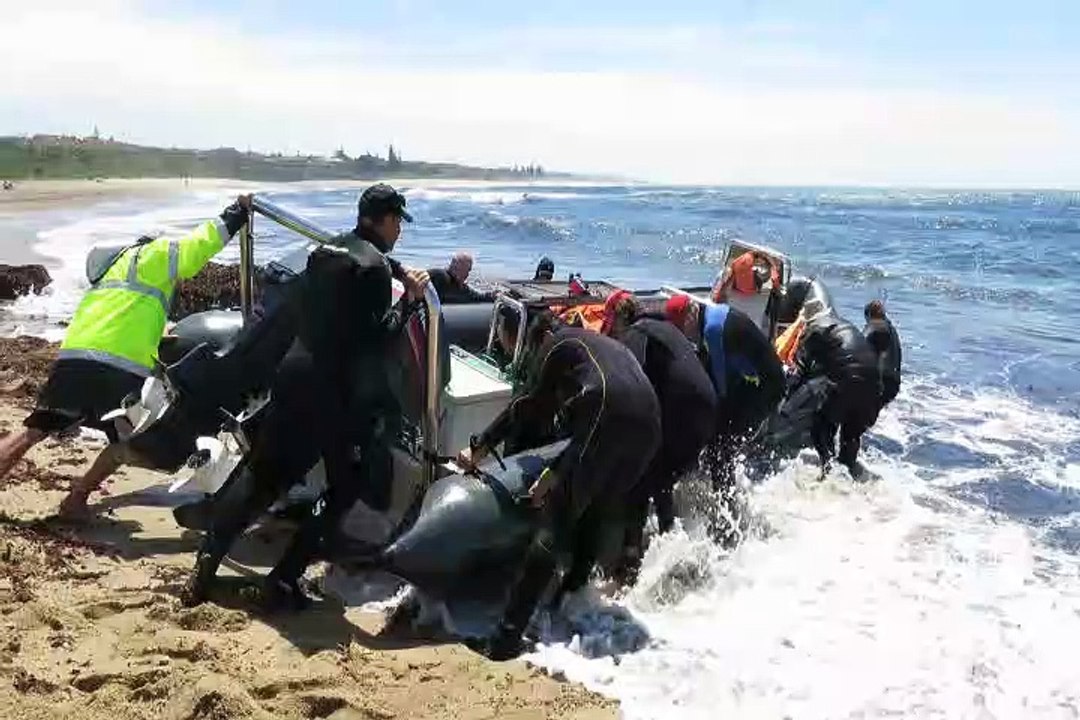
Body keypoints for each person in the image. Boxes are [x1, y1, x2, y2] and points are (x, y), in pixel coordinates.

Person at [183, 183, 430, 609]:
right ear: (386, 220)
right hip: (331, 392)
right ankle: (285, 577)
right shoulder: (374, 271)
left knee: (262, 476)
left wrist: (396, 267)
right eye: (398, 223)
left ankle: (208, 558)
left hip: (293, 373)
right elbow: (377, 342)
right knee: (344, 487)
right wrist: (410, 302)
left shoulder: (327, 251)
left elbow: (356, 262)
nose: (399, 232)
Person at [0, 195, 251, 519]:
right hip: (119, 368)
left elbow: (122, 315)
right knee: (132, 442)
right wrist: (235, 215)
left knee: (33, 431)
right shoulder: (159, 253)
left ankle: (70, 501)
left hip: (75, 356)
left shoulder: (114, 270)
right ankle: (75, 500)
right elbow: (194, 250)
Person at [458, 312, 660, 660]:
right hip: (651, 427)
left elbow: (529, 405)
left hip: (607, 412)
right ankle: (570, 601)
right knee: (595, 508)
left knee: (556, 516)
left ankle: (505, 639)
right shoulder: (605, 346)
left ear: (541, 339)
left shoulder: (558, 345)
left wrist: (480, 446)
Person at [601, 291, 716, 578]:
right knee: (660, 477)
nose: (612, 328)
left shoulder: (637, 333)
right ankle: (671, 550)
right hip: (704, 413)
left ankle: (631, 561)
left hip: (683, 416)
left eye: (611, 321)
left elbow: (630, 380)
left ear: (620, 318)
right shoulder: (665, 328)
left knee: (640, 475)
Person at [701, 278, 786, 494]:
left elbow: (720, 384)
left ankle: (726, 504)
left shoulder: (712, 329)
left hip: (767, 387)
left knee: (723, 444)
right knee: (723, 433)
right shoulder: (718, 312)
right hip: (758, 378)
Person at [790, 312, 881, 479]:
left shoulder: (813, 331)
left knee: (821, 425)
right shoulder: (846, 327)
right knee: (851, 434)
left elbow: (800, 370)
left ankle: (828, 469)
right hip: (874, 386)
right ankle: (850, 474)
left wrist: (787, 395)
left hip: (847, 381)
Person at [863, 300, 902, 411]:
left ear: (869, 315)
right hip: (894, 384)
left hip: (881, 383)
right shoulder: (891, 328)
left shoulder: (876, 326)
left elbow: (859, 346)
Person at [713, 250, 779, 303]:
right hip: (750, 291)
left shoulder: (739, 260)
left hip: (737, 288)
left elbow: (730, 275)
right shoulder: (750, 260)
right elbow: (774, 278)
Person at [428, 252, 494, 304]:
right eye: (466, 270)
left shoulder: (459, 286)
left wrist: (492, 295)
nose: (467, 275)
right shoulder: (440, 276)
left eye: (468, 270)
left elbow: (477, 296)